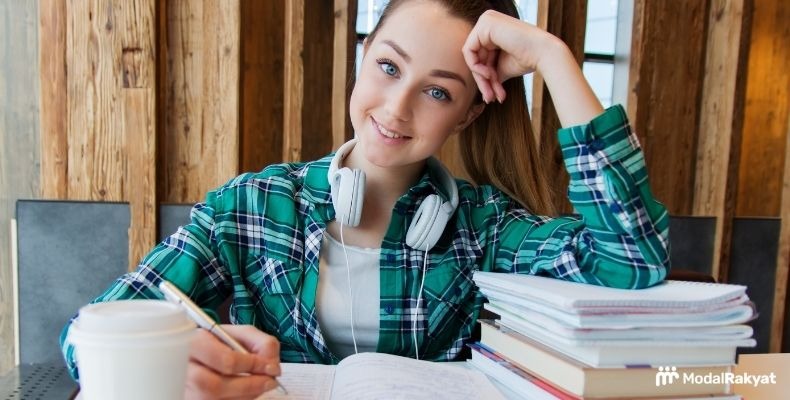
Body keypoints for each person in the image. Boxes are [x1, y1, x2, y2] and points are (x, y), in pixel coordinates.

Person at [60, 0, 670, 398]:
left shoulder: (484, 230)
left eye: (437, 92)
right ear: (362, 57)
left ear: (466, 115)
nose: (396, 108)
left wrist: (552, 58)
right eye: (387, 66)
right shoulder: (248, 209)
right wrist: (173, 362)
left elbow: (631, 260)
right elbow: (84, 339)